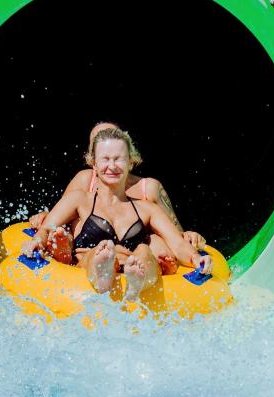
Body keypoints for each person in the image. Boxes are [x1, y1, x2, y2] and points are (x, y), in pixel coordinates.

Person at [22, 127, 212, 300]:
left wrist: (196, 258)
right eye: (105, 159)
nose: (112, 166)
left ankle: (136, 283)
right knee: (102, 250)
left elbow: (177, 243)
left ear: (130, 162)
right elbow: (46, 228)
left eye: (118, 159)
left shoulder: (147, 209)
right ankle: (104, 272)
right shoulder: (80, 200)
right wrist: (36, 241)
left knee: (145, 251)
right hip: (87, 267)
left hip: (133, 267)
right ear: (94, 164)